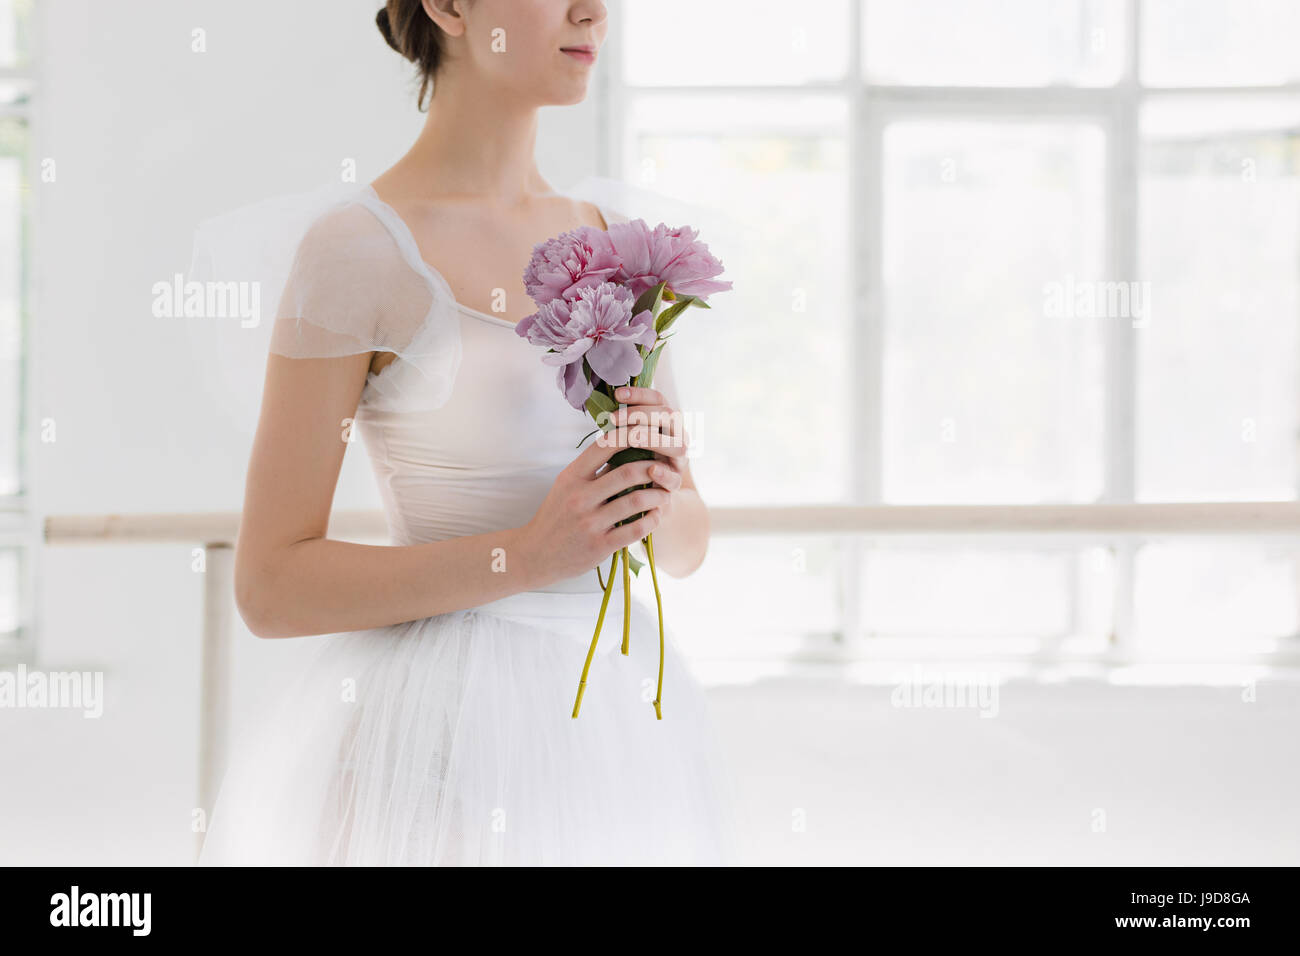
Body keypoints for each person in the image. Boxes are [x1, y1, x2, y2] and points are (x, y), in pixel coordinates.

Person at [196, 0, 735, 866]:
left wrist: (659, 480)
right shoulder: (358, 251)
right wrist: (523, 556)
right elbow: (269, 586)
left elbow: (686, 549)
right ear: (449, 7)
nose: (594, 12)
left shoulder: (618, 246)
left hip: (619, 725)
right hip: (438, 731)